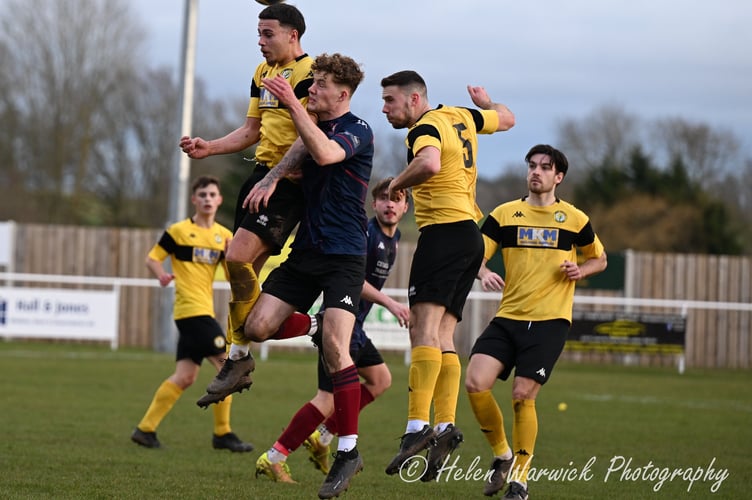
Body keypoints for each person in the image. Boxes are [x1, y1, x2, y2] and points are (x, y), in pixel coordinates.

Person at [209, 53, 373, 499]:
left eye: (319, 85)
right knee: (256, 326)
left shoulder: (357, 129)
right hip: (306, 253)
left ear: (342, 94)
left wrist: (293, 103)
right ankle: (315, 325)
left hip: (344, 255)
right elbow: (298, 151)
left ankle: (347, 451)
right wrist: (271, 180)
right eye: (310, 82)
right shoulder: (312, 125)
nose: (311, 89)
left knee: (338, 350)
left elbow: (325, 152)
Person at [379, 71, 515, 480]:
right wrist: (487, 103)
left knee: (421, 329)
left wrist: (396, 184)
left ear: (414, 98)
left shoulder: (423, 127)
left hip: (442, 233)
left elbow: (429, 163)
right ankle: (444, 426)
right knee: (442, 335)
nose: (385, 108)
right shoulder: (462, 115)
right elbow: (507, 119)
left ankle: (416, 426)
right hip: (470, 236)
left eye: (390, 100)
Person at [179, 4, 314, 405]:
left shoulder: (310, 73)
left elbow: (310, 132)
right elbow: (252, 130)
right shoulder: (262, 73)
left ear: (292, 35)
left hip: (288, 183)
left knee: (235, 258)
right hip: (260, 177)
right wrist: (210, 147)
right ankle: (240, 356)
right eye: (258, 33)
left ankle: (262, 344)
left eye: (267, 33)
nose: (260, 41)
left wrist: (284, 174)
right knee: (243, 276)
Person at [466, 144, 607, 499]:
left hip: (549, 322)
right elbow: (475, 256)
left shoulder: (574, 219)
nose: (536, 172)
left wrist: (582, 269)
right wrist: (483, 273)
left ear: (558, 177)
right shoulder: (504, 214)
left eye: (545, 167)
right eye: (532, 165)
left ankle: (520, 481)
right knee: (475, 382)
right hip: (508, 317)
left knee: (521, 395)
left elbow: (600, 259)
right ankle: (502, 455)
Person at [254, 178, 410, 484]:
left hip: (357, 326)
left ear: (406, 207)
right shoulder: (365, 235)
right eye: (383, 198)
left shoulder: (395, 238)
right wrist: (390, 303)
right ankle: (274, 457)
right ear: (373, 203)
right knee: (326, 398)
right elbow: (353, 281)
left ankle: (323, 436)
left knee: (380, 379)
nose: (390, 204)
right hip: (339, 323)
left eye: (397, 199)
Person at [130, 175, 253, 453]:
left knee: (185, 376)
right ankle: (222, 433)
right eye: (203, 195)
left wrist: (230, 257)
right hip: (191, 311)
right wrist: (161, 275)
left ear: (219, 200)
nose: (207, 199)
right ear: (194, 199)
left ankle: (145, 430)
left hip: (200, 312)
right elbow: (152, 258)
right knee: (228, 368)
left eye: (212, 194)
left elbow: (232, 276)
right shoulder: (178, 231)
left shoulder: (224, 236)